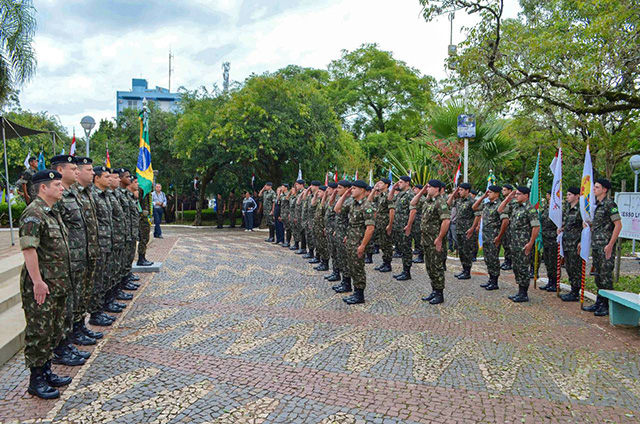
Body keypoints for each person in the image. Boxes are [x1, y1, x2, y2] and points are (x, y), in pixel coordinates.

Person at [19, 169, 73, 399]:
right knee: (39, 332)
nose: (62, 188)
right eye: (57, 185)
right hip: (43, 286)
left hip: (57, 284)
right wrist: (38, 282)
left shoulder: (51, 212)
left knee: (52, 330)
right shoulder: (34, 213)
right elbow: (29, 249)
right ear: (44, 187)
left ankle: (46, 371)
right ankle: (36, 380)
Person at [51, 155, 95, 365]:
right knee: (66, 306)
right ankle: (62, 347)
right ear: (60, 170)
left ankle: (71, 338)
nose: (77, 171)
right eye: (72, 168)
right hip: (65, 261)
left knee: (76, 301)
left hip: (79, 256)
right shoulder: (58, 198)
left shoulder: (75, 194)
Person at [583, 178, 622, 316]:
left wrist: (611, 244)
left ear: (604, 189)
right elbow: (601, 226)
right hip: (597, 245)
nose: (594, 189)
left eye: (597, 187)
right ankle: (599, 302)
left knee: (605, 276)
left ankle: (606, 305)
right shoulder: (598, 204)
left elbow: (618, 224)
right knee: (598, 275)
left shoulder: (610, 204)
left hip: (606, 246)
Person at [409, 179, 451, 304]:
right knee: (430, 267)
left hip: (435, 241)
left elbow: (446, 221)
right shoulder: (428, 201)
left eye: (430, 187)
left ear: (437, 188)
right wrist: (422, 191)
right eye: (427, 187)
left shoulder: (440, 202)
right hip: (426, 240)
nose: (428, 189)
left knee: (437, 267)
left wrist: (439, 238)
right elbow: (413, 203)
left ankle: (439, 294)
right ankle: (434, 290)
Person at [334, 180, 374, 304]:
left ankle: (359, 295)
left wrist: (363, 245)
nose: (352, 190)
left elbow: (370, 228)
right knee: (352, 267)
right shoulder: (353, 204)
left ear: (362, 190)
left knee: (358, 268)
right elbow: (337, 209)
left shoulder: (366, 206)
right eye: (351, 188)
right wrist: (345, 196)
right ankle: (355, 292)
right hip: (351, 240)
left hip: (358, 242)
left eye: (354, 188)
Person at [499, 186, 540, 303]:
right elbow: (500, 209)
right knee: (516, 267)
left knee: (523, 268)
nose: (516, 196)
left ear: (526, 195)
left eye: (518, 194)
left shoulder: (530, 209)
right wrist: (508, 198)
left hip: (524, 244)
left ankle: (524, 293)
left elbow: (536, 227)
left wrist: (531, 243)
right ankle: (520, 291)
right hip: (514, 243)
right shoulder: (515, 206)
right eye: (515, 194)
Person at [471, 185, 509, 290]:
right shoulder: (487, 204)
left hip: (494, 236)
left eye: (491, 192)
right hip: (486, 236)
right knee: (487, 259)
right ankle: (490, 279)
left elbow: (505, 221)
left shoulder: (500, 205)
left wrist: (499, 236)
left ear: (497, 193)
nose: (489, 194)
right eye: (488, 192)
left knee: (493, 259)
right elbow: (474, 207)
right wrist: (483, 197)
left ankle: (495, 281)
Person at [559, 186, 583, 301]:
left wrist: (582, 241)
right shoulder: (568, 209)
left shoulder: (580, 210)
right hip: (567, 243)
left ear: (577, 196)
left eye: (569, 195)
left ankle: (575, 291)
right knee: (568, 267)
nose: (567, 197)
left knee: (575, 268)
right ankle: (573, 289)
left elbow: (585, 228)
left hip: (575, 244)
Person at [448, 183, 475, 280]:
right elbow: (448, 203)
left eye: (461, 190)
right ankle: (464, 270)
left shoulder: (472, 201)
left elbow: (477, 215)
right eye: (459, 190)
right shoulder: (458, 201)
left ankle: (467, 272)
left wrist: (472, 228)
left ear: (467, 191)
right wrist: (454, 193)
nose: (460, 192)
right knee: (461, 251)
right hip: (459, 229)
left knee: (467, 251)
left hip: (467, 230)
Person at [389, 176, 413, 281]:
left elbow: (413, 211)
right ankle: (404, 270)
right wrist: (393, 188)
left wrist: (409, 225)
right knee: (402, 248)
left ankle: (407, 272)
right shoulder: (400, 194)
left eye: (401, 182)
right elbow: (389, 199)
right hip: (398, 225)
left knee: (407, 249)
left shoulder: (410, 195)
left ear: (407, 183)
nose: (399, 183)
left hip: (405, 226)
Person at [332, 180, 353, 293]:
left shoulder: (349, 201)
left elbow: (350, 220)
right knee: (341, 258)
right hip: (340, 232)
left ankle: (347, 284)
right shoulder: (344, 200)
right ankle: (344, 281)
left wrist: (347, 234)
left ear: (347, 189)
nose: (337, 189)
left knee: (345, 260)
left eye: (340, 188)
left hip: (345, 233)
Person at [539, 190, 559, 292]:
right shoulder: (546, 208)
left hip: (553, 239)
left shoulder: (558, 209)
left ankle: (555, 282)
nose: (550, 198)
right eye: (549, 197)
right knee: (547, 262)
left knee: (554, 262)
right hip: (545, 239)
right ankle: (550, 281)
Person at [373, 178, 393, 273]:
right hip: (380, 223)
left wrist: (390, 224)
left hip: (385, 223)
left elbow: (391, 211)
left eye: (381, 183)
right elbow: (370, 199)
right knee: (382, 243)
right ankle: (384, 262)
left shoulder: (389, 195)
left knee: (387, 244)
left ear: (386, 185)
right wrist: (374, 189)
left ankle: (388, 264)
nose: (379, 184)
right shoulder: (380, 195)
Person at [137, 184, 153, 266]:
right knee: (143, 238)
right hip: (141, 218)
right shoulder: (141, 190)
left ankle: (143, 257)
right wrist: (141, 213)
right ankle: (141, 258)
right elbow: (138, 203)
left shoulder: (148, 191)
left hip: (146, 218)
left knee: (146, 238)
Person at [500, 184, 515, 270]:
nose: (503, 191)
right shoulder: (504, 200)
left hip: (510, 226)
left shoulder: (512, 201)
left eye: (505, 190)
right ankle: (506, 261)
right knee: (505, 244)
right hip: (505, 226)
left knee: (509, 245)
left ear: (510, 191)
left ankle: (509, 262)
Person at [411, 184, 425, 264]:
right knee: (416, 238)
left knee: (419, 239)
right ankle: (418, 253)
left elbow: (415, 206)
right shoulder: (417, 197)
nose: (414, 190)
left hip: (419, 220)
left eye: (416, 189)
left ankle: (421, 256)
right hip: (416, 220)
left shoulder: (421, 199)